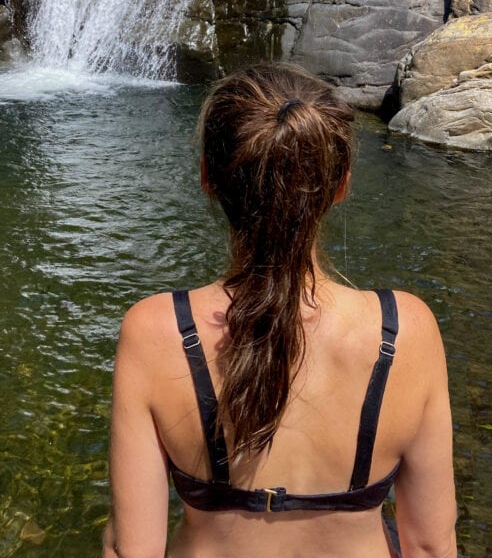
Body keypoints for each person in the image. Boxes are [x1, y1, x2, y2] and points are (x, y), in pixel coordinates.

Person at [103, 63, 457, 558]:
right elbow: (430, 545)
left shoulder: (156, 330)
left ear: (208, 176)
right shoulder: (405, 331)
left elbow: (132, 551)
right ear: (341, 185)